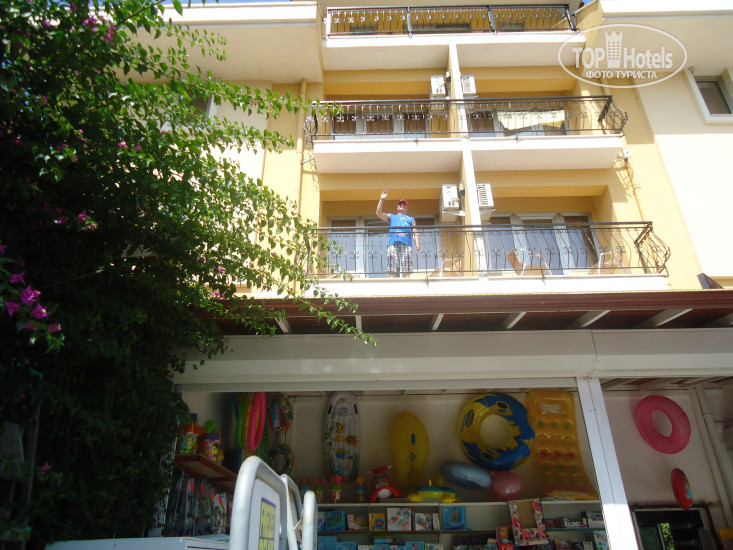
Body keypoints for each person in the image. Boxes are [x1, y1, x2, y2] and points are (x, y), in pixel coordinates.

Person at [376, 190, 420, 278]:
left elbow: (415, 232)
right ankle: (392, 284)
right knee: (392, 269)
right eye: (400, 204)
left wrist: (417, 243)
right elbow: (378, 213)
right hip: (393, 243)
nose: (402, 205)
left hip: (406, 244)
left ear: (407, 209)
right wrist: (382, 199)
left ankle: (406, 285)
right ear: (397, 208)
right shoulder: (392, 216)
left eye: (404, 205)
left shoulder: (411, 219)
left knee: (406, 270)